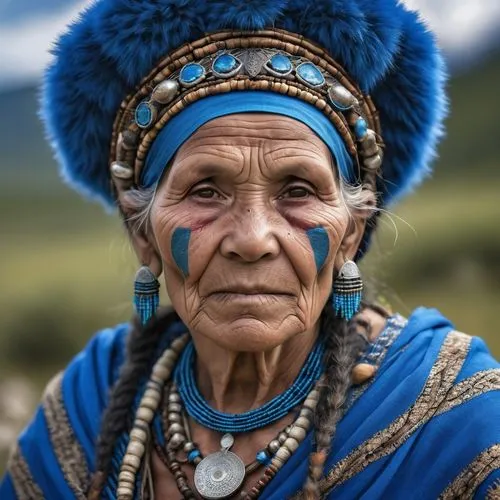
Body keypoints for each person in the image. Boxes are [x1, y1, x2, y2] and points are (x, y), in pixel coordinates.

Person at [1, 0, 500, 498]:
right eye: (205, 191)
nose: (252, 239)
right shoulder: (86, 407)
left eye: (298, 190)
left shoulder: (457, 424)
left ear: (352, 229)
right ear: (142, 233)